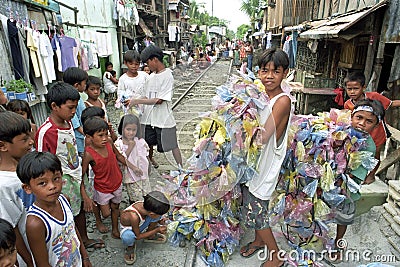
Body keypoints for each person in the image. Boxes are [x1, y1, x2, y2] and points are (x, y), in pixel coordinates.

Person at [35, 82, 105, 250]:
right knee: (67, 213)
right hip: (62, 180)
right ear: (54, 106)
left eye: (75, 108)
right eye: (70, 108)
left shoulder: (69, 123)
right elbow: (40, 161)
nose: (74, 112)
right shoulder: (46, 131)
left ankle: (84, 239)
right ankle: (73, 244)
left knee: (80, 209)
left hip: (76, 173)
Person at [240, 48, 293, 267]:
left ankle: (276, 256)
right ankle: (259, 241)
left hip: (266, 165)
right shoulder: (263, 96)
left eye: (275, 71)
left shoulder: (281, 101)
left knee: (257, 210)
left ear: (285, 73)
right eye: (264, 71)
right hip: (255, 164)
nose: (269, 76)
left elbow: (261, 138)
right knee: (252, 204)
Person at [330, 99, 385, 262]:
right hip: (327, 182)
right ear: (351, 116)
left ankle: (338, 243)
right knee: (319, 212)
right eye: (359, 117)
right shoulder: (340, 132)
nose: (362, 123)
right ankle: (315, 236)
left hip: (346, 187)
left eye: (369, 121)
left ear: (375, 126)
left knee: (343, 216)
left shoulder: (369, 147)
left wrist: (336, 180)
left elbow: (356, 175)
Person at [17, 151, 92, 267]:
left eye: (56, 178)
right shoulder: (36, 223)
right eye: (42, 183)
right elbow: (42, 263)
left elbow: (72, 229)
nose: (52, 186)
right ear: (27, 188)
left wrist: (85, 257)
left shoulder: (64, 200)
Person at [81, 116, 135, 239]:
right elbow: (82, 174)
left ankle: (115, 229)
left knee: (115, 207)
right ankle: (99, 220)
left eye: (106, 134)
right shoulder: (89, 154)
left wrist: (133, 167)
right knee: (106, 213)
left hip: (116, 182)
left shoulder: (109, 143)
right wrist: (85, 195)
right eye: (100, 135)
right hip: (102, 187)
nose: (105, 138)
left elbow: (119, 156)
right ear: (89, 137)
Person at [130, 44, 183, 169]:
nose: (147, 67)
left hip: (163, 119)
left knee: (172, 145)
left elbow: (159, 100)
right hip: (149, 119)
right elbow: (145, 95)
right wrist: (132, 100)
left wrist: (137, 101)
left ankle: (181, 167)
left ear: (155, 59)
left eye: (147, 63)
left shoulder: (167, 76)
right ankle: (147, 167)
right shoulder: (151, 76)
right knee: (147, 143)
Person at [343, 71, 400, 184]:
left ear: (363, 87)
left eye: (356, 88)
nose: (352, 92)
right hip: (359, 134)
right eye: (349, 89)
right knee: (358, 153)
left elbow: (391, 104)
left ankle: (372, 175)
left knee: (375, 154)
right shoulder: (347, 104)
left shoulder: (374, 97)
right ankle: (356, 174)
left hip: (377, 133)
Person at [0, 111, 35, 267]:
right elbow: (12, 231)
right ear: (2, 146)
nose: (31, 142)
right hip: (29, 253)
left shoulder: (26, 166)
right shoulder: (4, 185)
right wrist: (30, 262)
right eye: (24, 139)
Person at [120, 191, 169, 265]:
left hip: (140, 223)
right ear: (151, 214)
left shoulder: (148, 207)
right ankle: (130, 246)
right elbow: (138, 236)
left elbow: (155, 216)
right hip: (131, 229)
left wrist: (160, 220)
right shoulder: (134, 216)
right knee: (128, 237)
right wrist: (157, 230)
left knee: (157, 217)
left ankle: (149, 236)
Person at [115, 114, 150, 203]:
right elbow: (121, 159)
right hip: (130, 177)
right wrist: (130, 147)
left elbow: (146, 155)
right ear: (122, 129)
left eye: (134, 130)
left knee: (146, 195)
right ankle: (135, 213)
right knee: (135, 199)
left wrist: (148, 169)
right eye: (128, 129)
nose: (131, 133)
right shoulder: (118, 144)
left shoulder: (140, 141)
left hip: (143, 175)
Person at [63, 67, 88, 158]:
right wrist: (88, 135)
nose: (86, 85)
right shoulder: (72, 101)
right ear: (77, 85)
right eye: (85, 83)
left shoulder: (79, 97)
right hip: (79, 138)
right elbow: (76, 124)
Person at [116, 50, 148, 115]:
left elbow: (149, 91)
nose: (134, 66)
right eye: (131, 64)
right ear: (125, 63)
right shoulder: (123, 79)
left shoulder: (144, 76)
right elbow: (120, 94)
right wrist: (125, 101)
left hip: (145, 109)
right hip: (131, 111)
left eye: (136, 64)